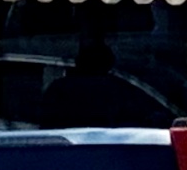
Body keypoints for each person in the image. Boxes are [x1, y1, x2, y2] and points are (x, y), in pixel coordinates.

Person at [35, 31, 170, 128]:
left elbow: (44, 120)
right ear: (108, 64)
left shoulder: (60, 88)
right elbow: (138, 119)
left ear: (77, 63)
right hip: (109, 150)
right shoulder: (118, 89)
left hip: (64, 150)